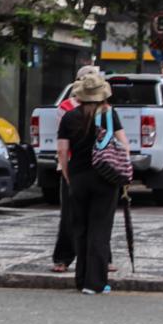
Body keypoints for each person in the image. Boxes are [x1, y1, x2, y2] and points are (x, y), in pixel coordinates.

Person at [56, 74, 130, 294]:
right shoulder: (109, 115)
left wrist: (68, 175)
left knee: (80, 228)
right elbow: (125, 146)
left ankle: (81, 279)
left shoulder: (69, 117)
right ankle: (95, 282)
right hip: (105, 178)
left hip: (78, 177)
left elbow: (61, 150)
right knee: (100, 228)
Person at [52, 65, 99, 273]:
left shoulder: (103, 108)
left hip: (93, 166)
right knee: (71, 214)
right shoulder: (67, 109)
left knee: (98, 215)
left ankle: (100, 258)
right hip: (76, 166)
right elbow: (64, 145)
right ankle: (64, 257)